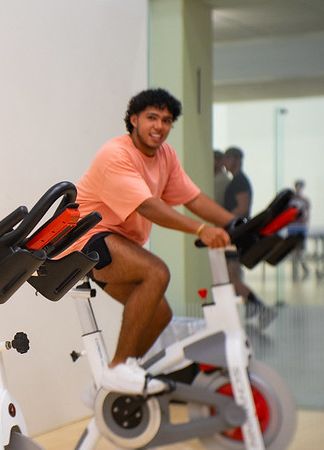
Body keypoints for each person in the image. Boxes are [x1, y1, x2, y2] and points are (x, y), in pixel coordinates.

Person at [64, 88, 237, 396]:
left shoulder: (165, 155)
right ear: (134, 120)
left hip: (116, 243)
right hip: (86, 240)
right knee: (157, 272)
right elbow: (148, 206)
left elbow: (192, 198)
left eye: (167, 120)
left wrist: (233, 224)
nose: (159, 126)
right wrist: (201, 230)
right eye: (152, 118)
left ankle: (109, 388)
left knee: (161, 315)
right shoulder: (115, 154)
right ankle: (118, 368)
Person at [222, 146, 277, 328]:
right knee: (232, 279)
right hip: (234, 235)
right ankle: (252, 307)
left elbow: (243, 209)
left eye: (228, 158)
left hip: (236, 236)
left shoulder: (240, 182)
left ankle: (260, 307)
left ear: (237, 159)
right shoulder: (237, 181)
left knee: (233, 279)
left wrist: (222, 222)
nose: (224, 162)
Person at [287, 179, 310, 280]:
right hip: (292, 227)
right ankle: (296, 268)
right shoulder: (291, 200)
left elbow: (307, 214)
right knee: (294, 249)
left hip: (301, 227)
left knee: (300, 249)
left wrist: (306, 223)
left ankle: (303, 266)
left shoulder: (305, 201)